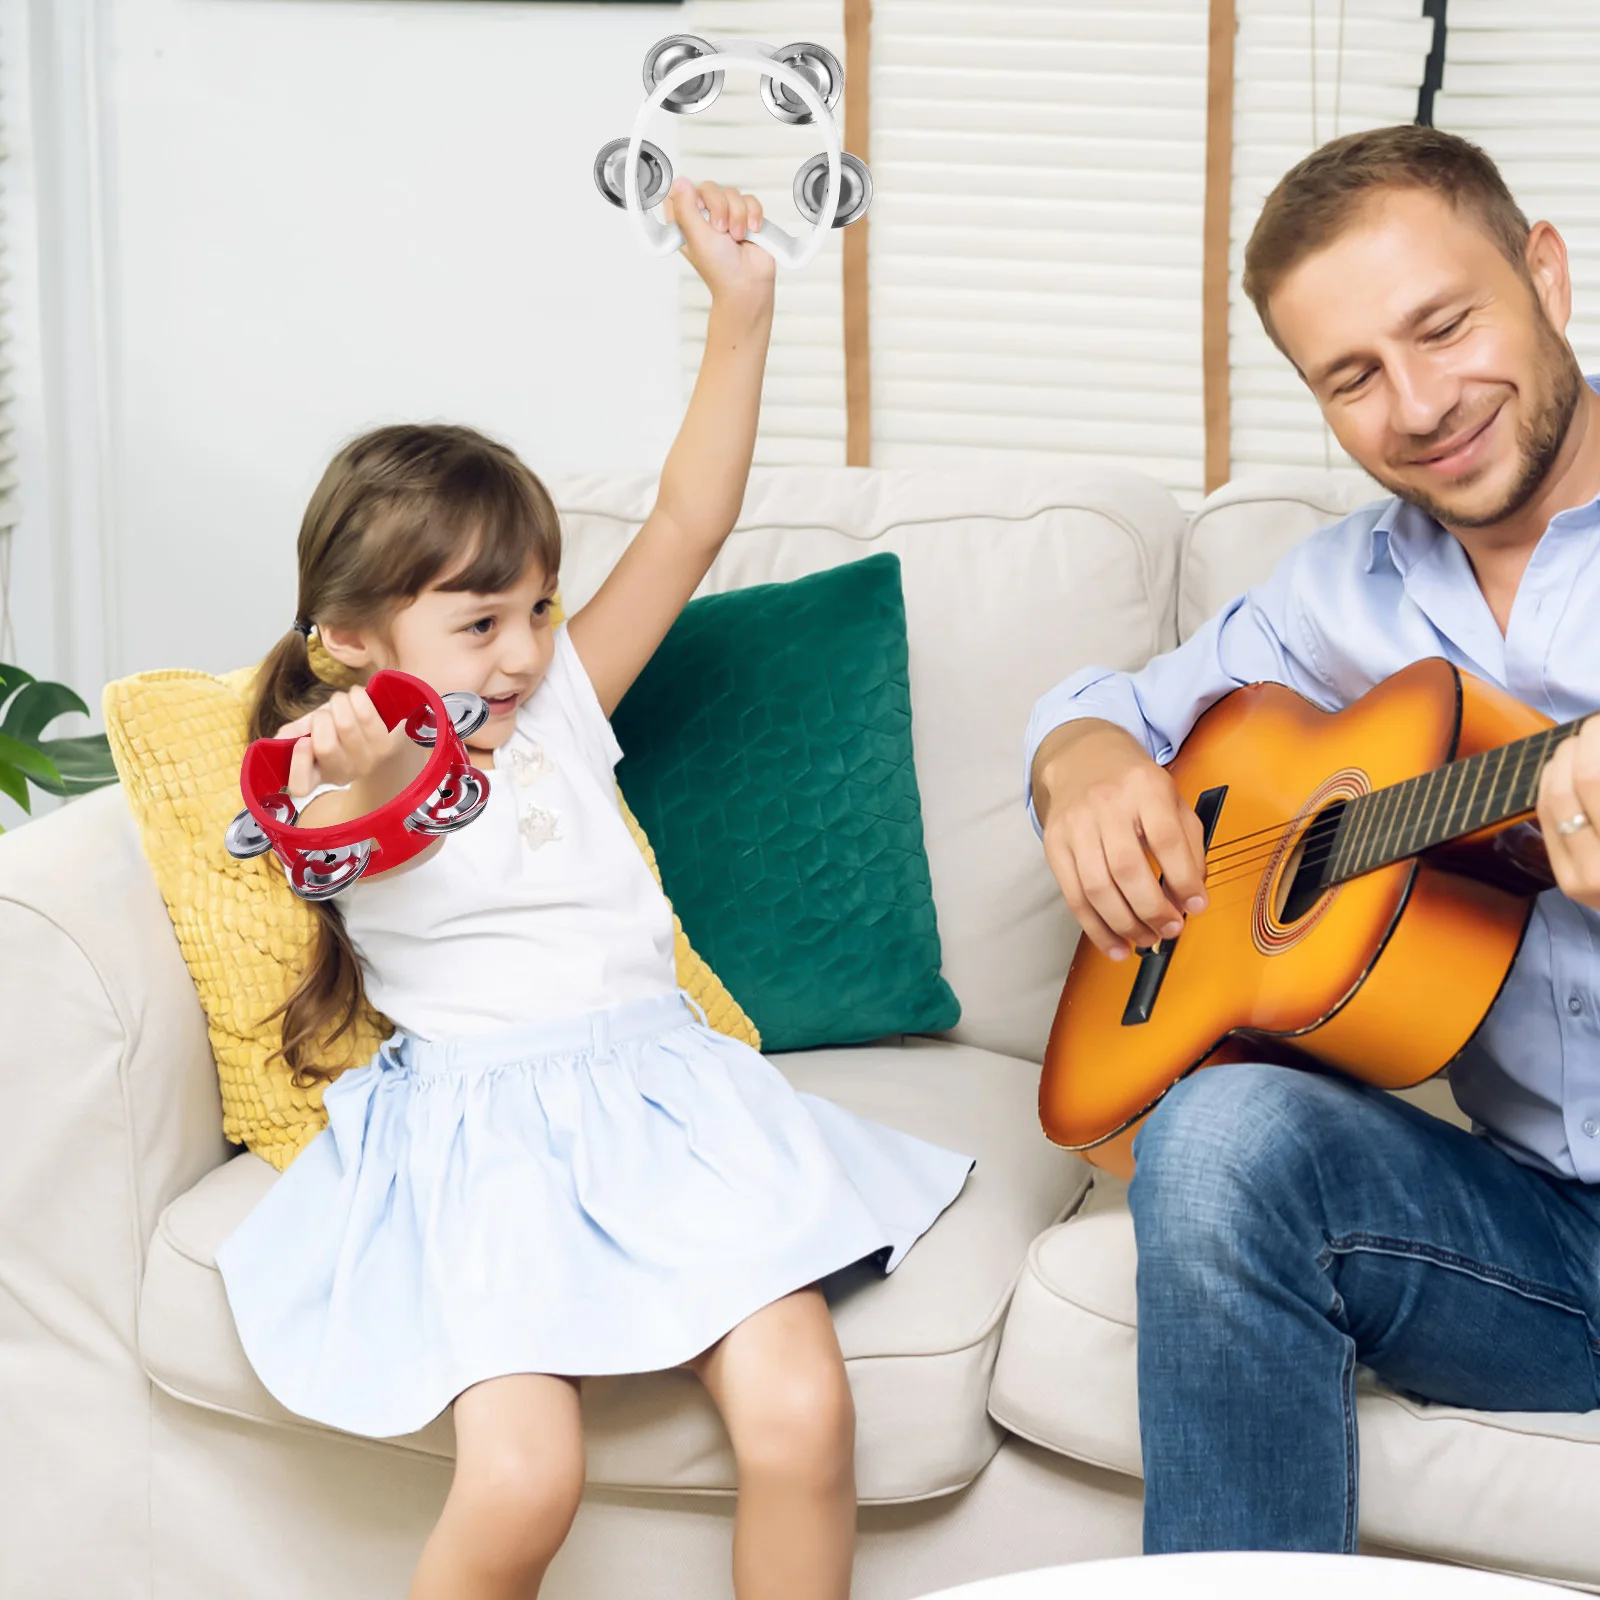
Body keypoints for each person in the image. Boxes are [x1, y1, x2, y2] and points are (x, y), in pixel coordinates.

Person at [216, 177, 972, 1600]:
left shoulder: (556, 704)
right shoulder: (343, 772)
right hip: (482, 1143)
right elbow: (349, 820)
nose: (517, 653)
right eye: (476, 622)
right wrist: (355, 751)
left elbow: (691, 515)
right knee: (521, 1479)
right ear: (351, 639)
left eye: (537, 611)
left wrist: (741, 305)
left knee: (806, 1416)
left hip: (669, 1102)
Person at [1025, 124, 1600, 1554]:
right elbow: (1109, 710)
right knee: (1215, 1134)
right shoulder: (1338, 595)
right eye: (1353, 376)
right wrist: (1081, 761)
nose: (1419, 404)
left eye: (1445, 325)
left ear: (1546, 271)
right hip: (1534, 1239)